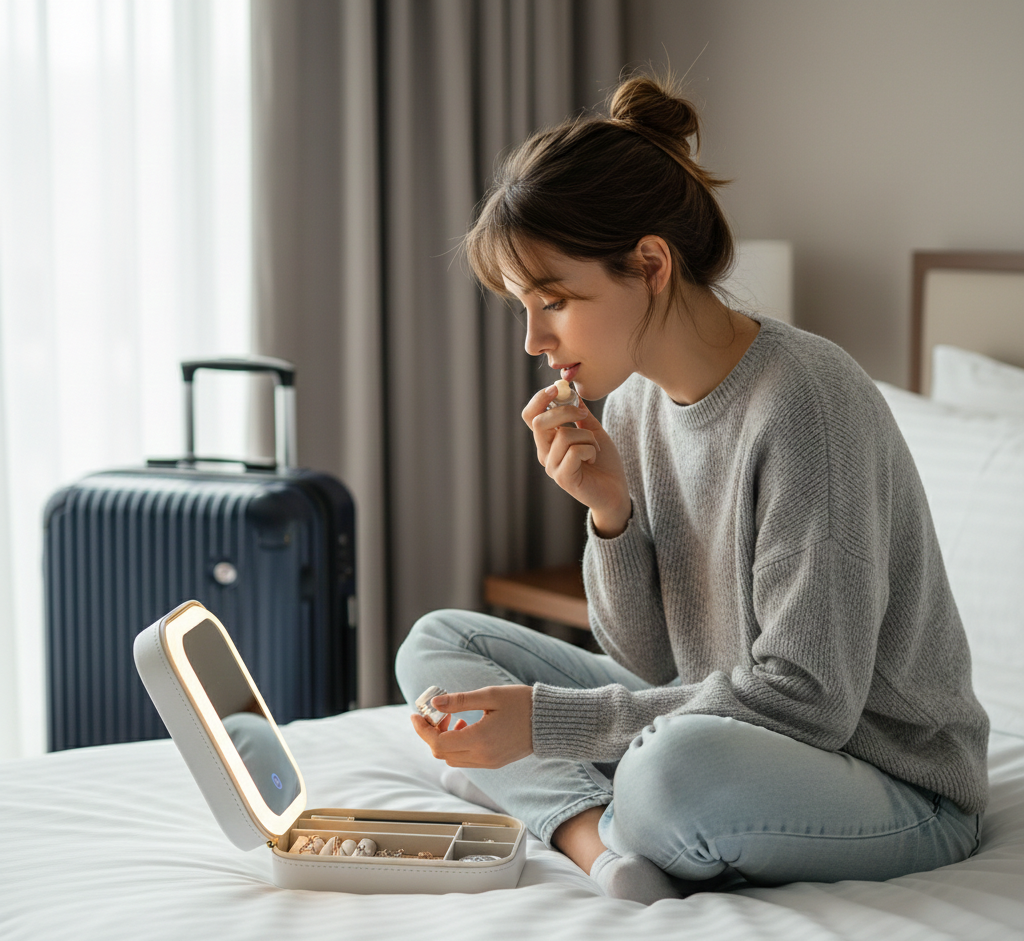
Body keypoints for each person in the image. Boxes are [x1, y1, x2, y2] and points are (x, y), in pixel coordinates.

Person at [394, 73, 989, 904]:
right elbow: (649, 663)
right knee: (436, 647)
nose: (535, 338)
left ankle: (587, 808)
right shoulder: (634, 404)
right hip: (733, 727)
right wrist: (611, 514)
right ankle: (596, 838)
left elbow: (809, 700)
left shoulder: (807, 400)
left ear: (649, 264)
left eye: (555, 301)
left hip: (885, 776)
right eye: (524, 308)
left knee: (670, 774)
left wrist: (543, 726)